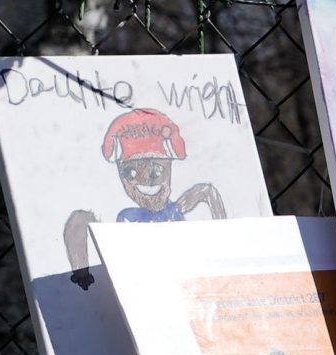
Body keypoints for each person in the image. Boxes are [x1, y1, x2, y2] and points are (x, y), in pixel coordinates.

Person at [60, 107, 226, 287]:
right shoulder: (128, 218)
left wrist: (223, 245)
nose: (145, 180)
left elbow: (206, 191)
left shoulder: (172, 210)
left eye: (156, 170)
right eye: (131, 172)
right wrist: (82, 273)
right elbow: (78, 222)